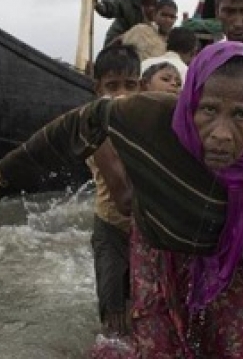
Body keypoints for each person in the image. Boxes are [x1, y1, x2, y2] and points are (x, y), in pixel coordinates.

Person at [0, 42, 243, 358]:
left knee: (236, 350)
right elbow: (72, 126)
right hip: (155, 255)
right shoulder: (146, 116)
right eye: (209, 110)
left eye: (242, 115)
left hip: (220, 263)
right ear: (190, 101)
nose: (222, 133)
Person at [86, 44, 140, 337]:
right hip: (111, 229)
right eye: (112, 86)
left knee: (145, 306)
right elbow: (123, 199)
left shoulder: (146, 124)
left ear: (141, 87)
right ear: (97, 89)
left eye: (130, 85)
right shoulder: (95, 130)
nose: (121, 94)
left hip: (145, 232)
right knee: (115, 312)